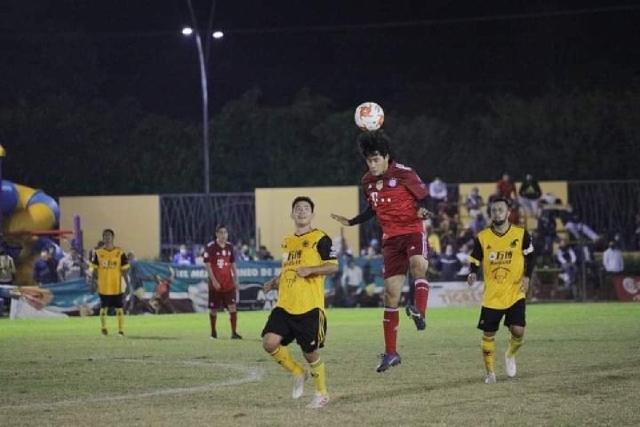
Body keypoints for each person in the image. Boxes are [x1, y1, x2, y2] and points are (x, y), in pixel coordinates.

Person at [330, 130, 431, 372]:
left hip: (412, 231)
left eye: (376, 159)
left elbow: (426, 199)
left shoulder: (405, 174)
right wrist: (352, 222)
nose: (372, 164)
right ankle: (391, 353)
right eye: (368, 160)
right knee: (390, 295)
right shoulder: (367, 181)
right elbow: (372, 209)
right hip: (390, 240)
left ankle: (420, 311)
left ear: (386, 157)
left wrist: (423, 211)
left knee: (418, 265)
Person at [262, 196, 339, 409]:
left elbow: (332, 266)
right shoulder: (287, 241)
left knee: (310, 352)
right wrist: (274, 282)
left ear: (313, 214)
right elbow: (288, 270)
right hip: (285, 304)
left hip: (309, 307)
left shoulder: (320, 238)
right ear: (292, 214)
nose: (302, 211)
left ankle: (322, 394)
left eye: (306, 208)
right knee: (269, 343)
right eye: (298, 208)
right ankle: (297, 373)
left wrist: (311, 270)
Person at [467, 197, 535, 384]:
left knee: (518, 331)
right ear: (491, 213)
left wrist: (527, 276)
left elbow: (531, 256)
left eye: (500, 209)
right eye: (494, 210)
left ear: (507, 212)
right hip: (492, 296)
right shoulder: (482, 237)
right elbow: (474, 259)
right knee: (488, 335)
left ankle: (510, 354)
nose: (497, 213)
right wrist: (472, 272)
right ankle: (490, 372)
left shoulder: (521, 234)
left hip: (515, 291)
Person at [203, 225, 242, 340]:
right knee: (214, 309)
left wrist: (236, 279)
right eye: (221, 232)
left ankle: (234, 332)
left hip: (228, 283)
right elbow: (208, 266)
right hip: (215, 285)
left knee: (232, 306)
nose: (223, 235)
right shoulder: (210, 247)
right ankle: (213, 332)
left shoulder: (230, 247)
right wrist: (214, 281)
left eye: (225, 232)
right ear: (216, 234)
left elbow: (233, 264)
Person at [89, 229, 130, 337]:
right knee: (103, 308)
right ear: (103, 238)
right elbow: (94, 270)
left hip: (116, 286)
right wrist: (92, 283)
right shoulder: (98, 253)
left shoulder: (120, 253)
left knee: (119, 308)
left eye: (109, 235)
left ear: (113, 237)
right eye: (105, 235)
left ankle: (121, 331)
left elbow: (124, 270)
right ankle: (104, 328)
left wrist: (128, 285)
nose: (107, 237)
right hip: (104, 286)